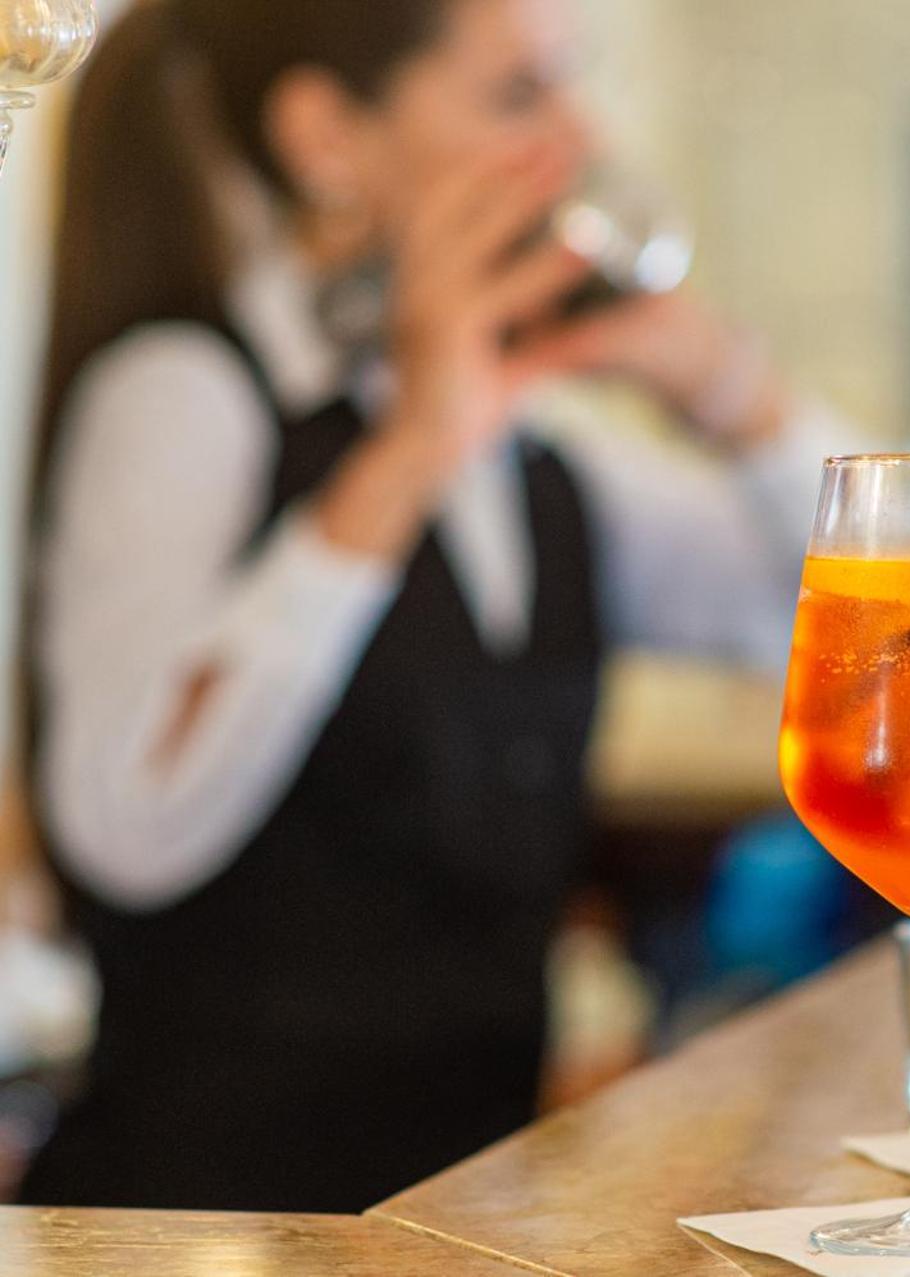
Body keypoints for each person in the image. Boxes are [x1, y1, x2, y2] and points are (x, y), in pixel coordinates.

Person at [20, 0, 838, 1212]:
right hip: (204, 1226)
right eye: (520, 94)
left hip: (456, 1221)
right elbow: (122, 826)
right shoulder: (188, 394)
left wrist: (734, 391)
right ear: (326, 137)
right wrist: (407, 455)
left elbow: (889, 633)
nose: (580, 134)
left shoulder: (539, 449)